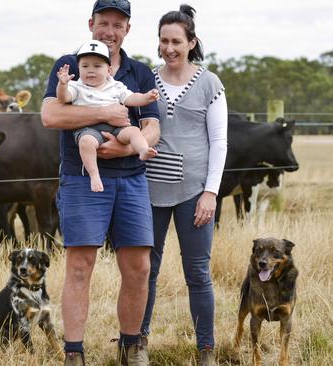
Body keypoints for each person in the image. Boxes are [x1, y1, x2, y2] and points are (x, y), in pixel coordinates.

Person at [41, 0, 160, 364]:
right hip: (81, 178)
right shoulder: (71, 63)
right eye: (103, 23)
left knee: (139, 265)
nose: (110, 31)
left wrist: (126, 151)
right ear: (91, 23)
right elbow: (50, 114)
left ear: (127, 30)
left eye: (118, 25)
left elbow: (152, 126)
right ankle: (74, 352)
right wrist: (104, 113)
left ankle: (130, 346)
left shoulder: (139, 72)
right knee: (80, 265)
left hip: (131, 179)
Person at [140, 5, 227, 366]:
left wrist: (210, 192)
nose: (169, 48)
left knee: (197, 272)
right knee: (145, 270)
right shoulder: (146, 80)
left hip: (194, 192)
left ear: (192, 43)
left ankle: (205, 348)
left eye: (177, 41)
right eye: (164, 41)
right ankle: (136, 343)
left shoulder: (210, 83)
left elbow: (219, 141)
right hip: (149, 192)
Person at [56, 40, 159, 192]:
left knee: (134, 131)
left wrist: (146, 97)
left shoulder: (115, 86)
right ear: (79, 68)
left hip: (117, 128)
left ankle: (143, 150)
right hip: (89, 129)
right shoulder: (77, 86)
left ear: (109, 70)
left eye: (97, 66)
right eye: (85, 66)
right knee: (86, 143)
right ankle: (94, 174)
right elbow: (63, 98)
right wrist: (63, 84)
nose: (90, 70)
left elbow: (130, 98)